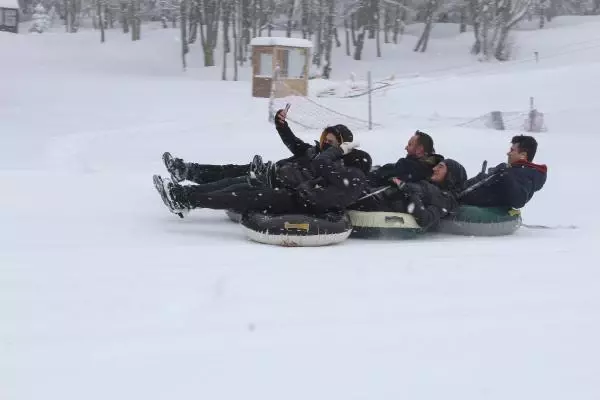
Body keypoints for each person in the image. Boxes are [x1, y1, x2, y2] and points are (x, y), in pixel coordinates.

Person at [153, 141, 372, 217]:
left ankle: (183, 197)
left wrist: (336, 151)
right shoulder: (351, 177)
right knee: (236, 187)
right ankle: (183, 196)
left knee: (238, 196)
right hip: (297, 197)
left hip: (298, 202)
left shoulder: (353, 177)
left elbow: (320, 165)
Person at [365, 158, 467, 231]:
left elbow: (425, 219)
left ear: (451, 176)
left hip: (381, 203)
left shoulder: (446, 199)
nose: (434, 169)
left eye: (440, 167)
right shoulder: (428, 185)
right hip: (378, 194)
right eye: (436, 166)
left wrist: (408, 191)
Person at [460, 135, 547, 209]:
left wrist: (505, 175)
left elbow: (519, 200)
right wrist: (484, 176)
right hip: (467, 194)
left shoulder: (526, 175)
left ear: (523, 155)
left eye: (512, 150)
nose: (508, 153)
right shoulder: (512, 170)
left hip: (469, 199)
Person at [368, 130, 444, 187]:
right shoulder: (436, 168)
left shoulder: (406, 166)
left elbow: (381, 177)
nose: (406, 148)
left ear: (419, 149)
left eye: (410, 145)